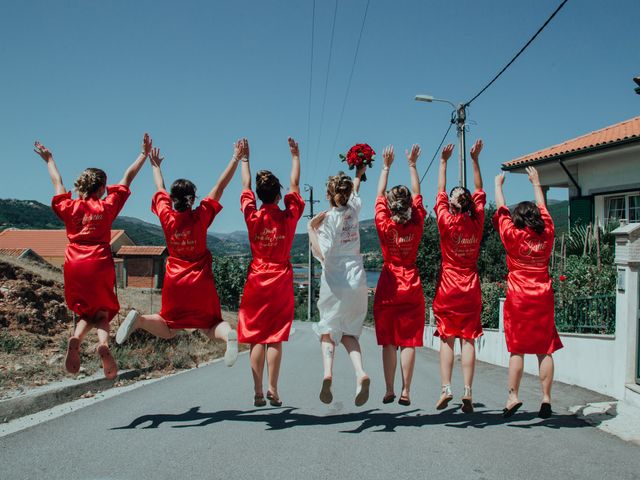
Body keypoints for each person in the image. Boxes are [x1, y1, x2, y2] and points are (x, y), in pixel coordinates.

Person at [116, 140, 244, 369]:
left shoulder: (166, 215)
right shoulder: (201, 215)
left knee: (169, 327)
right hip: (200, 281)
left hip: (175, 281)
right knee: (211, 324)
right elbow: (220, 186)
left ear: (173, 200)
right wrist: (236, 158)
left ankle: (140, 320)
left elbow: (159, 188)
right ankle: (229, 337)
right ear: (193, 199)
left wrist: (155, 166)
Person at [35, 134, 151, 379]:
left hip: (74, 262)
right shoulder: (107, 206)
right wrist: (143, 154)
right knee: (103, 313)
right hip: (98, 261)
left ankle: (76, 338)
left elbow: (57, 182)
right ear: (100, 188)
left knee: (84, 312)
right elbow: (128, 178)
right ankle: (104, 345)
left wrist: (49, 159)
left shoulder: (69, 207)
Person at [237, 138, 305, 407]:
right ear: (279, 194)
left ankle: (256, 392)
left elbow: (244, 187)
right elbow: (296, 187)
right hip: (279, 280)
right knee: (275, 338)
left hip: (256, 279)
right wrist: (296, 157)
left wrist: (245, 159)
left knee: (256, 337)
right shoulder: (288, 217)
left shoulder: (252, 216)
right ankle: (273, 389)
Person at [494, 166, 563, 419]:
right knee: (545, 348)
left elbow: (501, 212)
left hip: (519, 297)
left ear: (518, 219)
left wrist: (498, 187)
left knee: (517, 349)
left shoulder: (512, 235)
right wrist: (536, 183)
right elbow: (544, 210)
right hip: (543, 295)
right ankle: (546, 398)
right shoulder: (548, 234)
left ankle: (513, 396)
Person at [308, 166, 370, 406]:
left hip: (334, 282)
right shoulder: (353, 211)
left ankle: (327, 374)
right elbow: (354, 192)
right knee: (349, 332)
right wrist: (359, 172)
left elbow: (321, 253)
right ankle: (360, 373)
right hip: (356, 280)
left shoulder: (327, 220)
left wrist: (311, 228)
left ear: (328, 194)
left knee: (328, 330)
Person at [432, 139, 485, 413]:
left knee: (447, 338)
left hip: (448, 286)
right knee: (469, 339)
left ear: (452, 205)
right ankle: (468, 391)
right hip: (470, 287)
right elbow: (480, 190)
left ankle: (446, 388)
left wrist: (443, 162)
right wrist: (475, 160)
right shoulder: (477, 223)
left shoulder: (444, 220)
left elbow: (440, 191)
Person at [373, 144, 427, 406]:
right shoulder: (416, 224)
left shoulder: (384, 224)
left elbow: (379, 194)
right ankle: (406, 390)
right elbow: (417, 194)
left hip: (389, 284)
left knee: (389, 343)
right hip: (411, 284)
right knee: (408, 342)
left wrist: (386, 166)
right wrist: (413, 164)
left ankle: (389, 388)